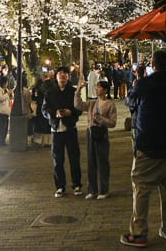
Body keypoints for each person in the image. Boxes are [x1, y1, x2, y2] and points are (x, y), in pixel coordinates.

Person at [120, 51, 166, 247]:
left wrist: (138, 81)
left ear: (153, 64)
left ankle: (139, 233)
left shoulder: (143, 85)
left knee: (141, 188)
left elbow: (129, 101)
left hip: (149, 144)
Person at [41, 65, 83, 198]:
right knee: (57, 159)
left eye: (65, 74)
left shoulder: (73, 92)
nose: (63, 76)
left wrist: (71, 111)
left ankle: (77, 184)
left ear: (68, 77)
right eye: (60, 74)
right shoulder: (50, 92)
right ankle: (60, 186)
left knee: (74, 158)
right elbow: (44, 110)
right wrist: (54, 113)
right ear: (56, 76)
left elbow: (79, 108)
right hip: (56, 129)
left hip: (70, 128)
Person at [75, 79, 117, 199]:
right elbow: (78, 105)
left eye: (99, 87)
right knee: (91, 161)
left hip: (101, 133)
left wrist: (102, 119)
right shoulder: (92, 103)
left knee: (102, 161)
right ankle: (92, 190)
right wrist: (78, 90)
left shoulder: (110, 104)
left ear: (105, 90)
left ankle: (104, 190)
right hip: (91, 132)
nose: (97, 89)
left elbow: (113, 122)